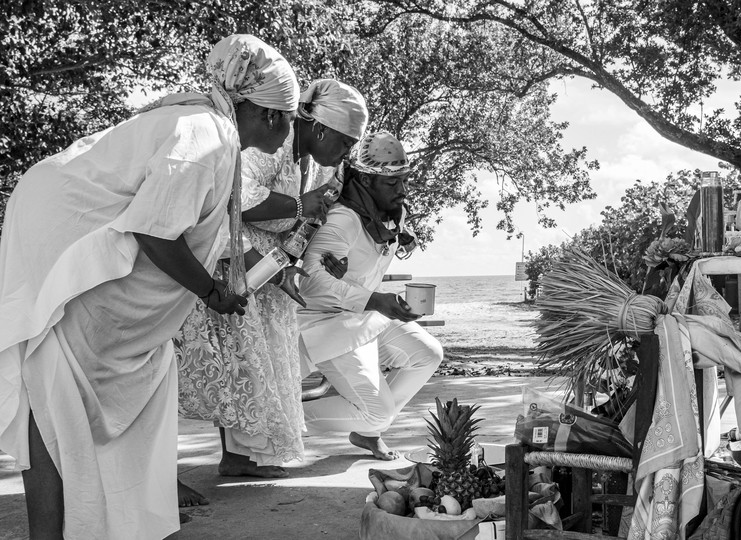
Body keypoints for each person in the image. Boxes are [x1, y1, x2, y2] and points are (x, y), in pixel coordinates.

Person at [0, 35, 299, 539]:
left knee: (120, 378)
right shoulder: (209, 134)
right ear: (270, 115)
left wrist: (216, 285)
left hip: (58, 232)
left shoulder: (207, 125)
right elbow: (155, 229)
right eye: (290, 119)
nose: (290, 132)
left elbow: (181, 227)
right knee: (56, 392)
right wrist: (211, 293)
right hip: (62, 243)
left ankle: (116, 522)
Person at [175, 79, 368, 506]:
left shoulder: (320, 167)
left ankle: (237, 457)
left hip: (270, 269)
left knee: (248, 367)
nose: (348, 152)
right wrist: (302, 206)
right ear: (320, 130)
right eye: (346, 140)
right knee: (209, 367)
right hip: (231, 258)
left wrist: (317, 258)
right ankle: (158, 472)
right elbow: (235, 197)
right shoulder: (272, 145)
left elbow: (309, 222)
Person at [297, 132, 442, 460]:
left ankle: (368, 433)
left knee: (428, 354)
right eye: (392, 184)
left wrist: (405, 240)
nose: (402, 191)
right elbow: (310, 282)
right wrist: (376, 300)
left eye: (403, 181)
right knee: (379, 411)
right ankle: (281, 415)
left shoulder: (389, 213)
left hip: (363, 318)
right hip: (329, 324)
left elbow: (383, 245)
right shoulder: (341, 220)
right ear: (364, 179)